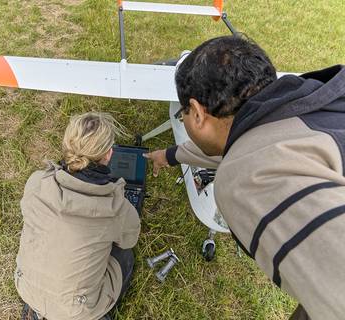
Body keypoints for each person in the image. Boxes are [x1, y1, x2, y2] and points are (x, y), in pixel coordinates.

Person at [145, 35, 345, 320]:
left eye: (184, 114)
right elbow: (246, 142)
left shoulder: (251, 178)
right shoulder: (315, 104)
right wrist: (170, 156)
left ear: (199, 114)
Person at [15, 112, 140, 320]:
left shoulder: (36, 182)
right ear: (108, 154)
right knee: (125, 256)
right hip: (77, 310)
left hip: (27, 287)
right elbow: (129, 239)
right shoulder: (115, 208)